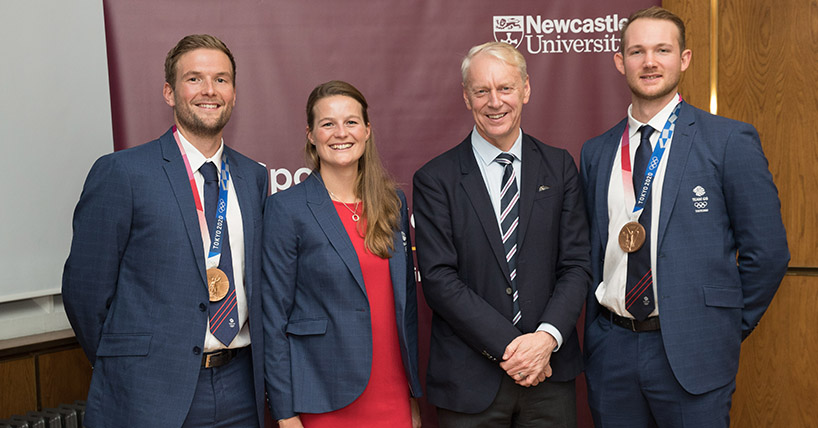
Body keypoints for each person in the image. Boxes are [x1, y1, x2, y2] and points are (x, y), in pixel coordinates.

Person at [580, 7, 790, 427]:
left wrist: (721, 325)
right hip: (612, 352)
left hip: (694, 351)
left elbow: (767, 253)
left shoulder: (728, 140)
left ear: (684, 58)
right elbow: (591, 253)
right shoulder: (597, 152)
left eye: (662, 49)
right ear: (620, 62)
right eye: (637, 51)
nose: (650, 62)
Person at [62, 34, 268, 428]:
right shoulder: (123, 173)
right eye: (195, 79)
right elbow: (85, 293)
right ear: (169, 93)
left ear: (235, 95)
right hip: (147, 391)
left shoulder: (253, 177)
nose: (210, 90)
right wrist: (128, 363)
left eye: (221, 80)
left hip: (242, 386)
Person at [412, 42, 591, 427]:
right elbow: (440, 279)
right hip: (469, 382)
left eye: (506, 88)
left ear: (526, 89)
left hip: (550, 374)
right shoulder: (435, 180)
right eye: (482, 91)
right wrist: (515, 350)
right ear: (466, 97)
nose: (495, 102)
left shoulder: (559, 168)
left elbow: (576, 265)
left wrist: (544, 340)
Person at [262, 80, 423, 428]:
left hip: (392, 392)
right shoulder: (286, 209)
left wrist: (411, 394)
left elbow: (405, 305)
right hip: (323, 397)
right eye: (327, 123)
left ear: (367, 131)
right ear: (310, 134)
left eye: (351, 122)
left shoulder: (393, 204)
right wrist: (285, 412)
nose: (341, 133)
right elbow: (273, 319)